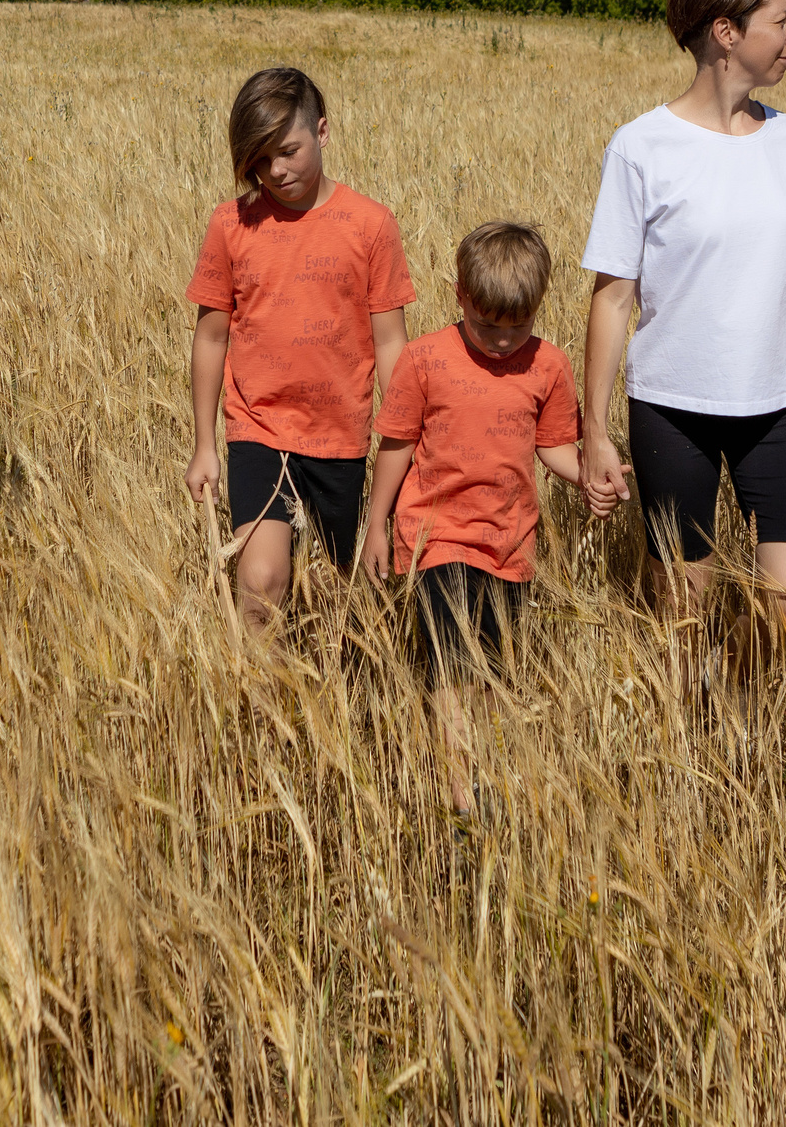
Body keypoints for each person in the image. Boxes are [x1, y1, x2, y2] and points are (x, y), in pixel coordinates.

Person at [579, 0, 786, 670]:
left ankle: (735, 695)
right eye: (782, 20)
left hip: (781, 407)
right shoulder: (641, 147)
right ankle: (696, 715)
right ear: (727, 32)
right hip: (671, 407)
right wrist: (594, 428)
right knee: (680, 613)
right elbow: (612, 298)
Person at [361, 222, 582, 815]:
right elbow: (396, 446)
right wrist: (377, 524)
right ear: (458, 294)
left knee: (488, 670)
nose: (504, 342)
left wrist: (589, 476)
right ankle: (461, 797)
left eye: (519, 326)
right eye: (487, 326)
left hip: (511, 544)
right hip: (438, 538)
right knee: (454, 668)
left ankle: (479, 776)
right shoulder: (424, 359)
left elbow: (554, 446)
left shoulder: (549, 366)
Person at [185, 66, 415, 632]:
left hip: (342, 437)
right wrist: (204, 443)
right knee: (262, 581)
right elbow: (211, 336)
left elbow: (390, 342)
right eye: (260, 159)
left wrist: (408, 439)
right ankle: (258, 690)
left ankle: (330, 683)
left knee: (339, 596)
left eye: (288, 151)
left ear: (323, 131)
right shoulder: (231, 224)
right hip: (258, 428)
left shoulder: (371, 225)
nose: (276, 171)